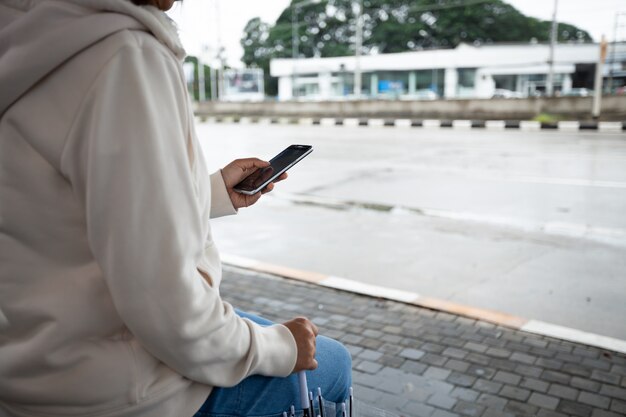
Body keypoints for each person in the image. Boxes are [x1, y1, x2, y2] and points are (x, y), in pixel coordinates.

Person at [0, 0, 352, 416]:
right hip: (123, 392)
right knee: (332, 362)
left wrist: (212, 194)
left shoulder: (23, 38)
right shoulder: (125, 55)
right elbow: (169, 309)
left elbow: (69, 212)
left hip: (32, 367)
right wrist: (278, 347)